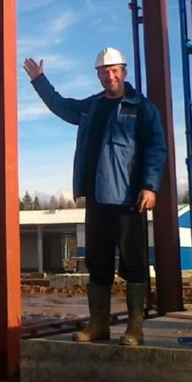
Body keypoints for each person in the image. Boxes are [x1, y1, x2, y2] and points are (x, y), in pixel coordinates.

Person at [23, 47, 167, 346]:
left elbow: (156, 148)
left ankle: (135, 329)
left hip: (128, 200)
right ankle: (98, 325)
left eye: (114, 71)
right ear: (98, 75)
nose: (109, 76)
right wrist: (39, 81)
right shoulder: (92, 106)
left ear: (124, 72)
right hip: (96, 199)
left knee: (133, 263)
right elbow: (61, 106)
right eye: (104, 72)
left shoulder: (142, 108)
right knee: (98, 263)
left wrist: (150, 186)